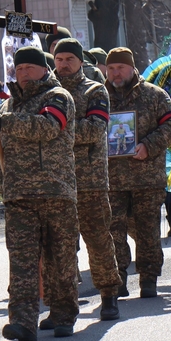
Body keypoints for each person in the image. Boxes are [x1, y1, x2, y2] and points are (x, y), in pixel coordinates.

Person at [0, 46, 78, 341]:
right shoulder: (7, 106)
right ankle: (23, 321)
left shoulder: (58, 97)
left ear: (43, 69)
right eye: (19, 68)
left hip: (55, 191)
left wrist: (4, 123)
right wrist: (5, 184)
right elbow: (1, 153)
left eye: (29, 67)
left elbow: (49, 127)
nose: (23, 72)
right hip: (20, 197)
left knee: (60, 258)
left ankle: (64, 314)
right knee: (22, 261)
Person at [51, 38, 122, 323]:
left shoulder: (94, 91)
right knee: (60, 246)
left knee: (98, 239)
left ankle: (108, 294)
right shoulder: (47, 92)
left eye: (69, 59)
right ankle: (61, 305)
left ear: (81, 62)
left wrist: (51, 128)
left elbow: (95, 129)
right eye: (59, 59)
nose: (63, 64)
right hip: (55, 182)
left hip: (89, 180)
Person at [105, 47, 171, 298]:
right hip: (110, 179)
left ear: (132, 68)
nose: (116, 73)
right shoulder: (98, 96)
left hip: (146, 177)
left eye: (121, 68)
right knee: (113, 230)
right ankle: (118, 279)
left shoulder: (153, 95)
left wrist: (148, 146)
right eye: (111, 68)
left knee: (147, 229)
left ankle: (149, 278)